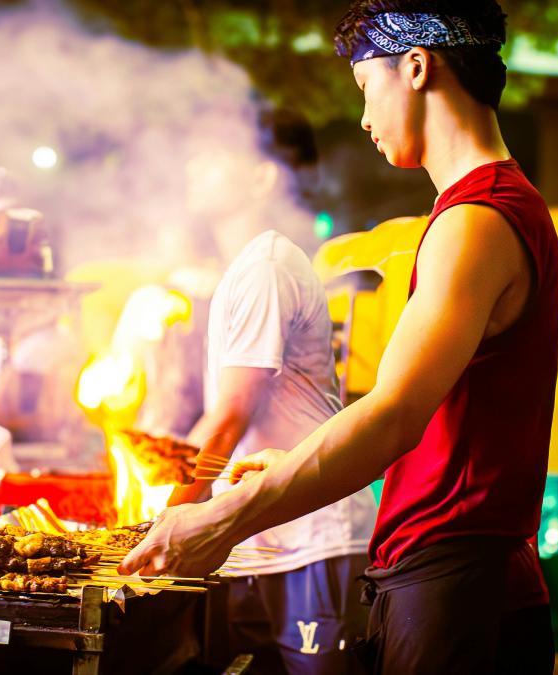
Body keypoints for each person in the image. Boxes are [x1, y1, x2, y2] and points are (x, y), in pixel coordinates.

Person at [120, 3, 558, 674]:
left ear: (416, 67)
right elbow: (445, 433)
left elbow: (393, 418)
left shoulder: (477, 221)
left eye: (364, 89)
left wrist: (222, 517)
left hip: (454, 587)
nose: (362, 119)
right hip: (459, 577)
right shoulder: (495, 208)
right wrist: (296, 462)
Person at [165, 109, 377, 674]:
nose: (195, 164)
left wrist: (164, 519)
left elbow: (229, 416)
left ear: (262, 178)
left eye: (216, 153)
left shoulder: (265, 266)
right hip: (268, 534)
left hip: (313, 536)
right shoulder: (245, 267)